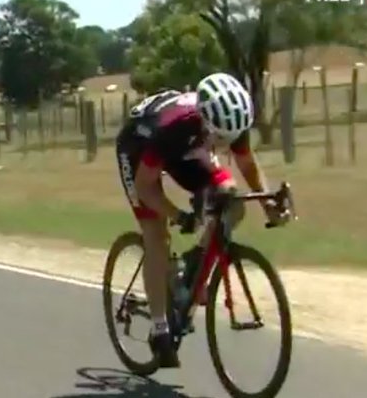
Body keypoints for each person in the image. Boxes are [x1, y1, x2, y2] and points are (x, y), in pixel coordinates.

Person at [114, 73, 286, 369]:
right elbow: (145, 186)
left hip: (191, 148)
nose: (226, 144)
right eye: (220, 137)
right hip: (139, 149)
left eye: (230, 138)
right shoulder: (174, 129)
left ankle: (193, 267)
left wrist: (266, 201)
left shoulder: (231, 122)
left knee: (231, 201)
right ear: (205, 121)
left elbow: (246, 163)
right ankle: (160, 329)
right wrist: (178, 215)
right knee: (157, 234)